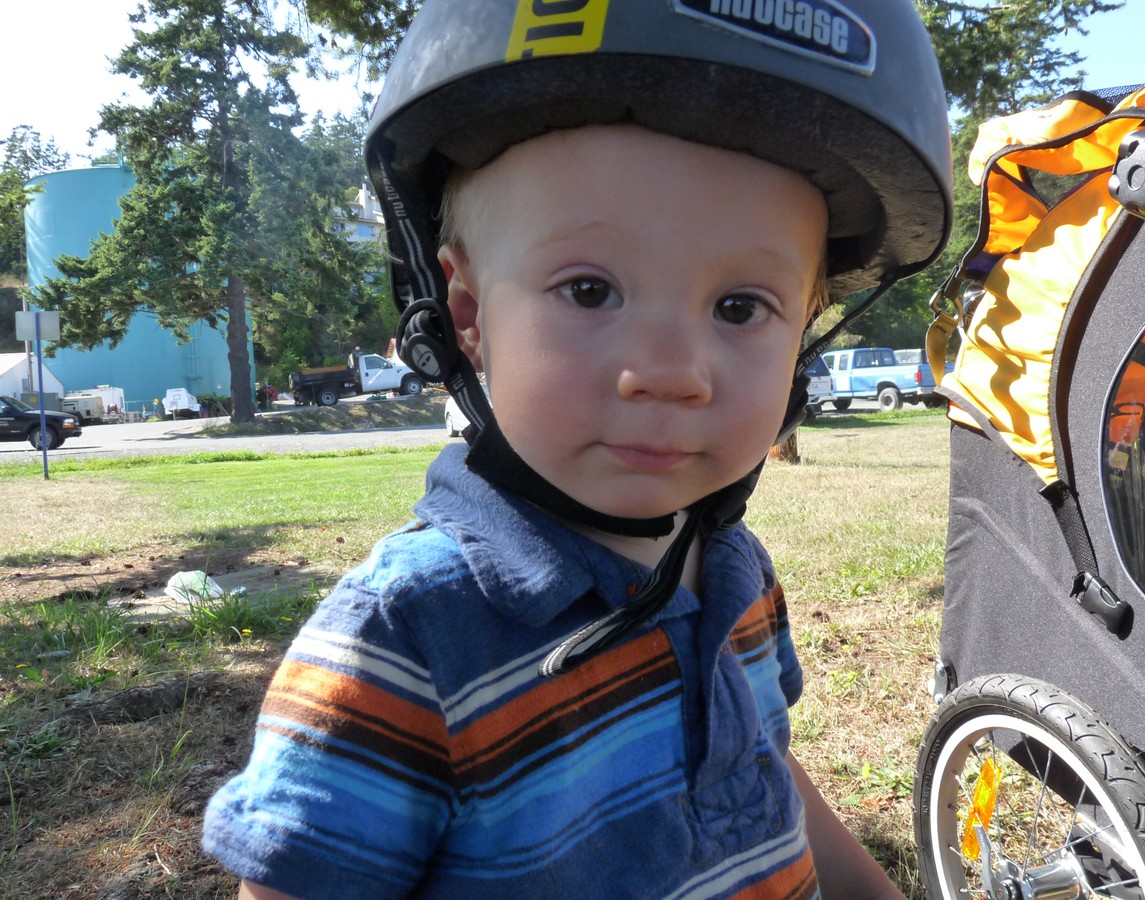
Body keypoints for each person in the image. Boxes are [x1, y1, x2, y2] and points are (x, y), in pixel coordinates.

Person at [203, 2, 951, 897]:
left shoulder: (736, 572)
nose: (674, 373)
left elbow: (759, 772)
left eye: (741, 308)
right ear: (469, 315)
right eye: (591, 290)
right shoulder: (404, 639)